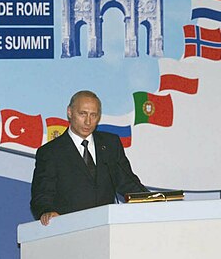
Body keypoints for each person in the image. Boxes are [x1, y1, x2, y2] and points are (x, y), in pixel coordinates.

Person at [31, 90, 147, 225]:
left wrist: (153, 200)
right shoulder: (51, 152)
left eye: (93, 115)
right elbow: (41, 196)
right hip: (70, 230)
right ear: (69, 112)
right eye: (82, 114)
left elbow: (128, 183)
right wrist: (47, 211)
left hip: (106, 229)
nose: (88, 121)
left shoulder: (110, 144)